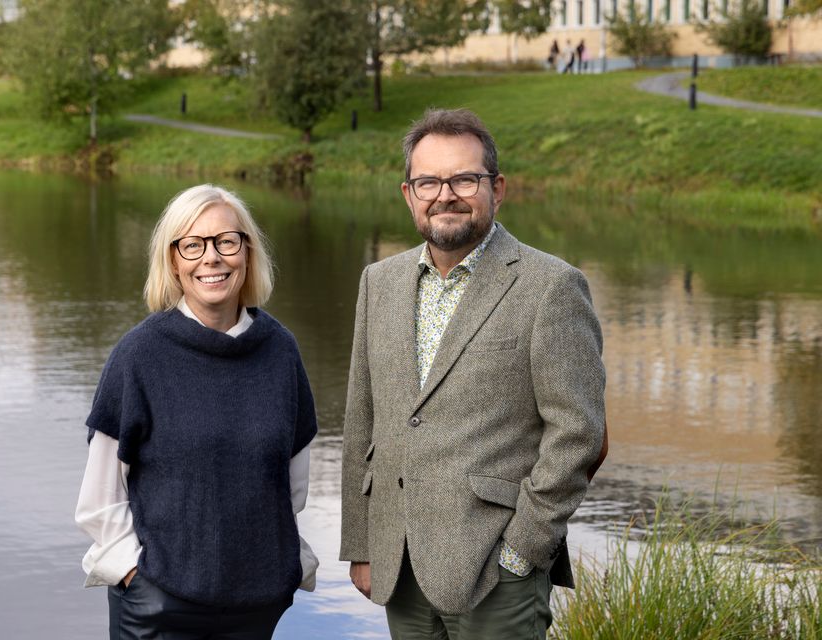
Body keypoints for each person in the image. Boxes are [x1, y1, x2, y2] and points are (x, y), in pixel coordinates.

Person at [339, 109, 606, 640]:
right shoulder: (379, 282)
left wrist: (523, 551)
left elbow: (580, 435)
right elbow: (361, 419)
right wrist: (362, 544)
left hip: (496, 568)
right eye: (428, 181)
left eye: (464, 179)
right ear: (408, 193)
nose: (446, 195)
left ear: (496, 188)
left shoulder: (550, 286)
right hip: (401, 561)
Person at [75, 184, 319, 640]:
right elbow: (101, 498)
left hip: (255, 606)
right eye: (193, 245)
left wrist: (281, 570)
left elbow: (291, 484)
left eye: (227, 241)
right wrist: (137, 578)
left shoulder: (280, 351)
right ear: (173, 261)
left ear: (247, 253)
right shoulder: (139, 355)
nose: (212, 258)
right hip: (159, 610)